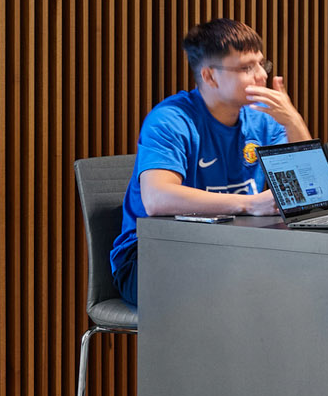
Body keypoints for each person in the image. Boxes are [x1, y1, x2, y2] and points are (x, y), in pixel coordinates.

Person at [111, 18, 312, 308]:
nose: (261, 76)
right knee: (251, 292)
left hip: (233, 248)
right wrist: (250, 204)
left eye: (261, 64)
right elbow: (157, 198)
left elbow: (310, 188)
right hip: (153, 254)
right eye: (246, 68)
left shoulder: (263, 120)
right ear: (210, 77)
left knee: (315, 277)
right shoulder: (171, 120)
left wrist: (294, 120)